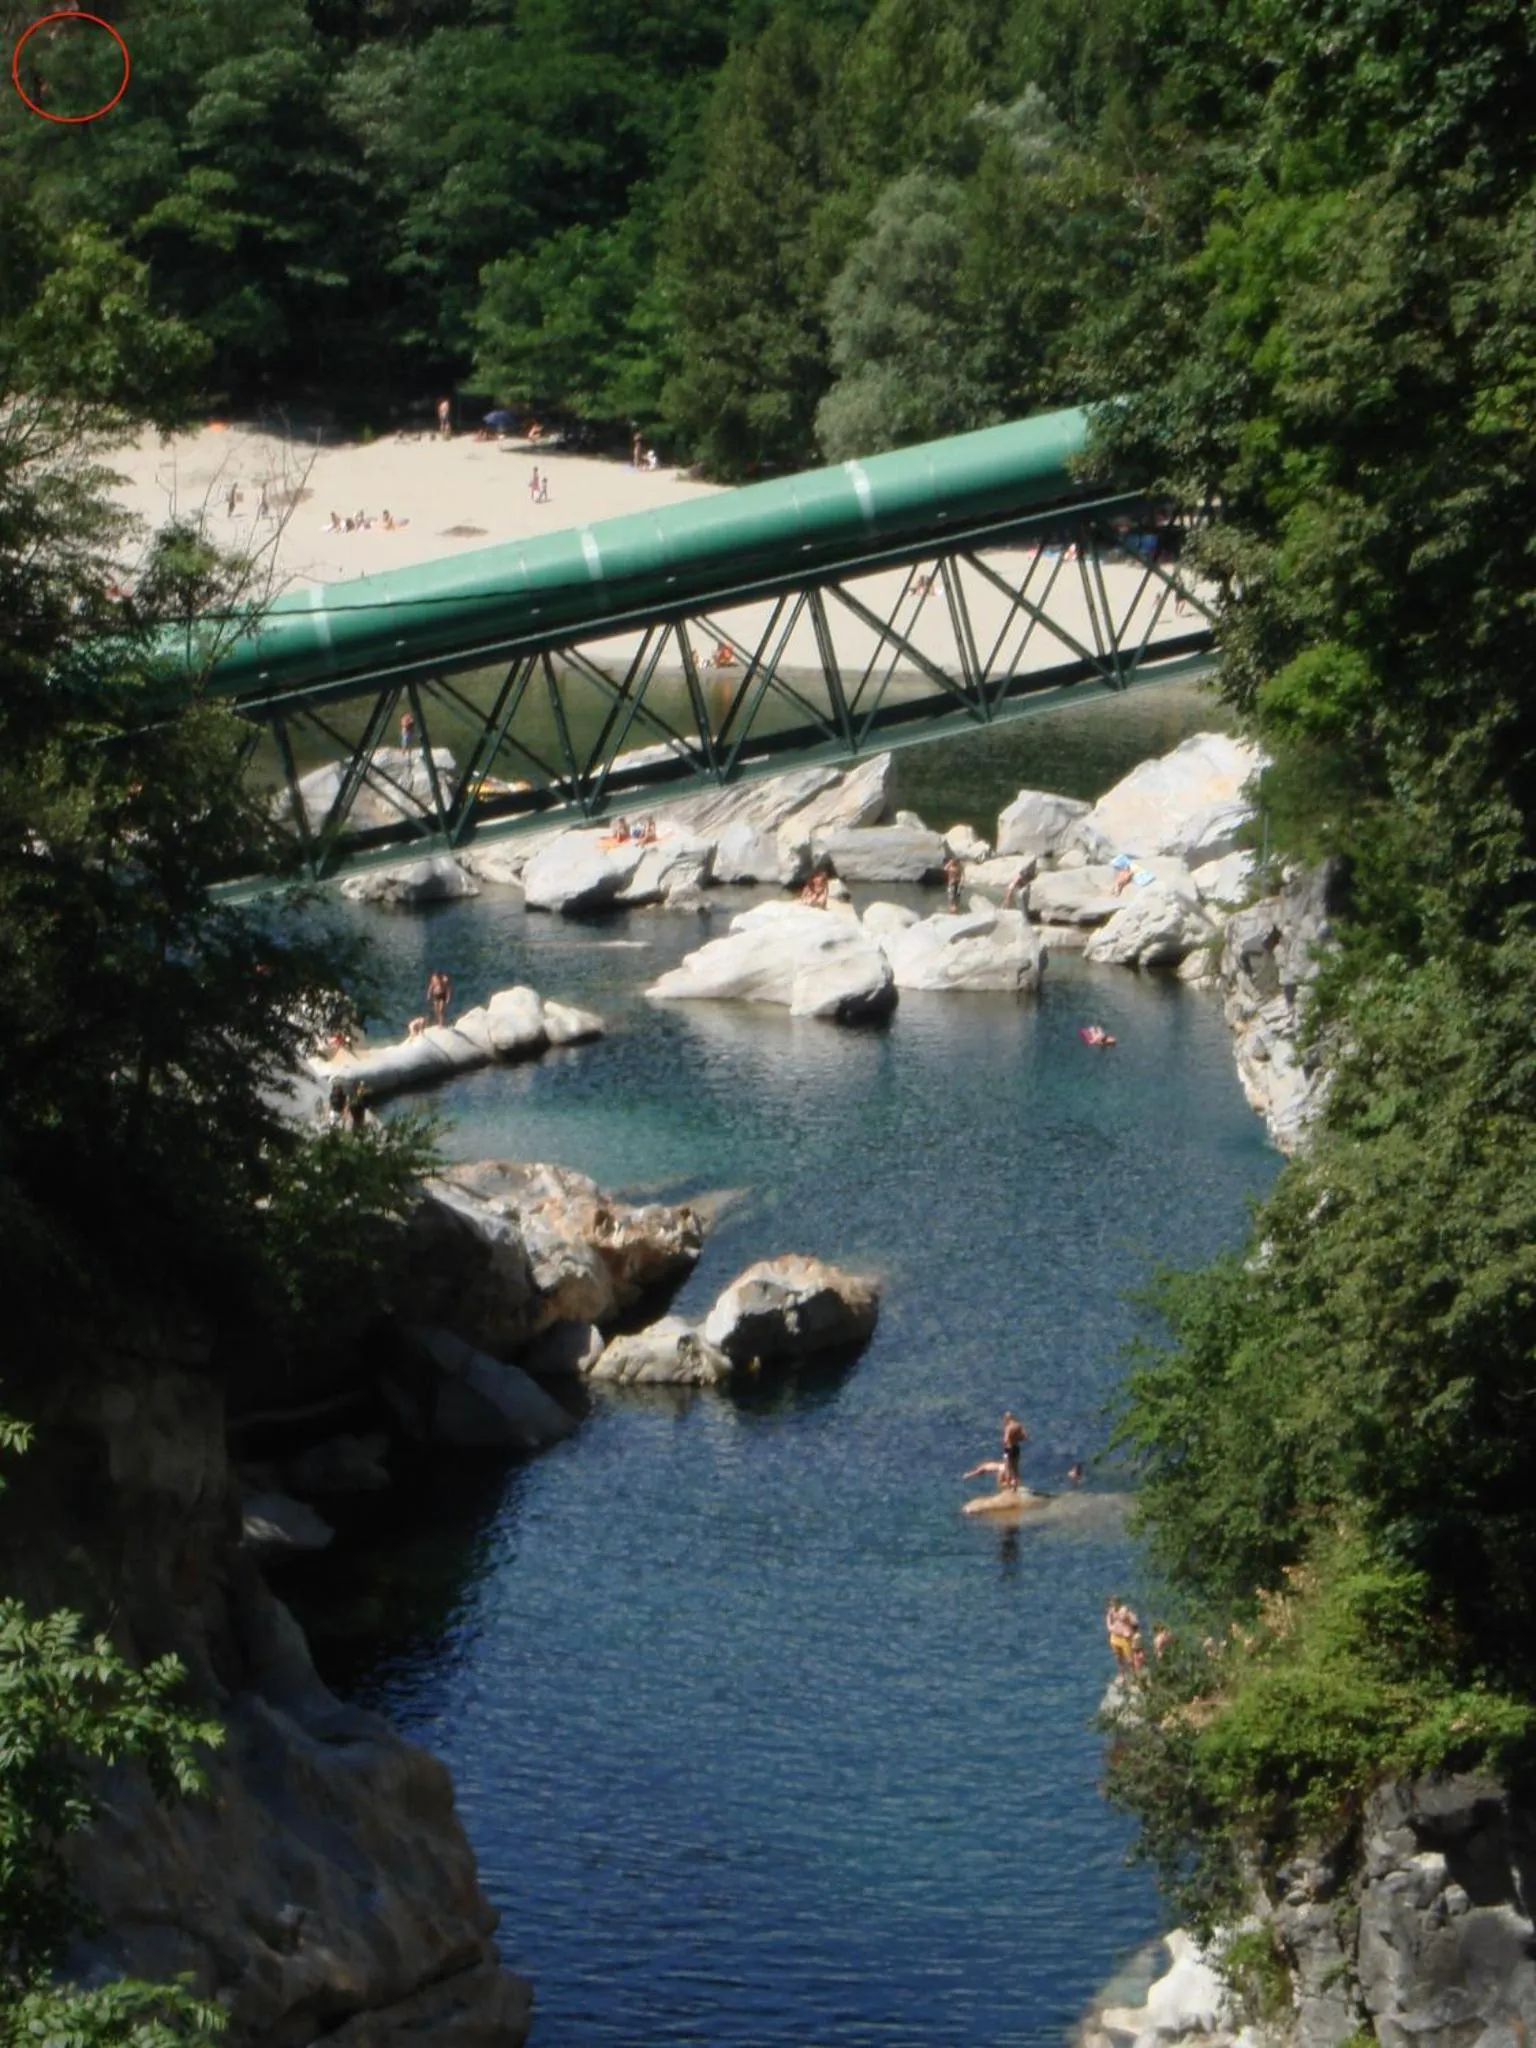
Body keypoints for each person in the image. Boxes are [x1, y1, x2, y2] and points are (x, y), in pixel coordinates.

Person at [1001, 1410, 1027, 1491]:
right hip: (1016, 1448)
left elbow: (1006, 1439)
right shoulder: (1018, 1426)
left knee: (1007, 1468)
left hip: (1008, 1449)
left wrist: (1006, 1442)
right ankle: (1015, 1488)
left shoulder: (1008, 1427)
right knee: (1016, 1469)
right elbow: (1024, 1437)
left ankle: (1009, 1489)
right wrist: (1016, 1439)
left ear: (1007, 1418)